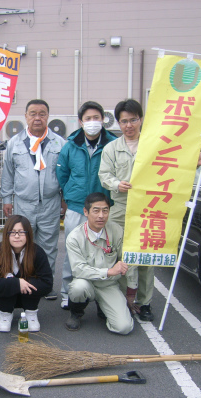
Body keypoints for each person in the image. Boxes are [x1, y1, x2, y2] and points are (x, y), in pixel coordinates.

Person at [98, 99, 201, 322]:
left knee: (145, 257)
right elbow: (104, 175)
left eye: (133, 120)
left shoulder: (155, 146)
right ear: (118, 123)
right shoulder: (111, 148)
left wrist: (194, 163)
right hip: (121, 207)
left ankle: (144, 302)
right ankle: (120, 300)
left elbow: (174, 167)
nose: (129, 125)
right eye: (124, 121)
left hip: (150, 208)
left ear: (141, 120)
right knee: (120, 257)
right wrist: (116, 184)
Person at [0, 99, 65, 301]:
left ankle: (46, 283)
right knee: (22, 243)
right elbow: (8, 173)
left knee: (48, 245)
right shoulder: (14, 143)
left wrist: (65, 198)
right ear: (26, 116)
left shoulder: (60, 143)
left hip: (50, 203)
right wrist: (6, 198)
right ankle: (24, 281)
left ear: (48, 116)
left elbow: (64, 174)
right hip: (23, 202)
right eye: (33, 113)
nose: (38, 118)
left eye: (42, 113)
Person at [57, 101, 118, 311]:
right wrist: (71, 194)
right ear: (81, 122)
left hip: (104, 207)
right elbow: (62, 174)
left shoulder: (113, 144)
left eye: (96, 118)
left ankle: (105, 294)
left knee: (106, 252)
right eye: (88, 118)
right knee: (72, 251)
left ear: (103, 120)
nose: (92, 122)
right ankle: (68, 292)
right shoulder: (71, 145)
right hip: (76, 207)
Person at [65, 192, 136, 334]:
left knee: (124, 327)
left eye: (105, 210)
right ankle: (76, 313)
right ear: (86, 212)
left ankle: (103, 306)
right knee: (78, 287)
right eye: (96, 211)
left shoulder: (116, 230)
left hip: (108, 284)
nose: (101, 216)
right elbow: (78, 270)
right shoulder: (75, 237)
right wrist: (108, 271)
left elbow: (129, 261)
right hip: (87, 282)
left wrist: (130, 292)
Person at [0, 215, 53, 332]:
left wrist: (25, 284)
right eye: (13, 232)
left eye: (21, 232)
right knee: (7, 282)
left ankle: (31, 313)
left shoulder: (38, 252)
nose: (17, 236)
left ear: (28, 234)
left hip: (29, 297)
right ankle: (5, 314)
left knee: (31, 282)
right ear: (6, 233)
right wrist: (15, 283)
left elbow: (47, 284)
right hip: (4, 298)